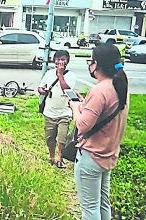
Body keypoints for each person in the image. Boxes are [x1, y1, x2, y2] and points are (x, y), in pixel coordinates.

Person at [69, 43, 129, 220]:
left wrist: (74, 107)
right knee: (103, 204)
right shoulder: (121, 86)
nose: (89, 65)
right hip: (108, 155)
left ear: (97, 64)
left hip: (91, 157)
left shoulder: (99, 90)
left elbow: (82, 125)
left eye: (91, 61)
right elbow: (103, 113)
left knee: (89, 209)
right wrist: (84, 105)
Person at [38, 50, 76, 168]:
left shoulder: (71, 76)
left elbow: (67, 90)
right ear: (54, 60)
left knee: (62, 137)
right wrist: (43, 91)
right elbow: (40, 87)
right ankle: (51, 156)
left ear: (67, 61)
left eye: (63, 60)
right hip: (50, 111)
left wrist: (60, 75)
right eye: (58, 59)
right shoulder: (49, 73)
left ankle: (60, 158)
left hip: (64, 112)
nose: (60, 62)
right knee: (50, 137)